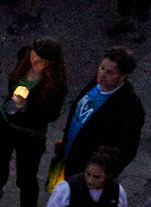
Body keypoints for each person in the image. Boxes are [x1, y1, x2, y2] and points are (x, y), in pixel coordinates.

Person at [0, 39, 68, 207]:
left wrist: (27, 107)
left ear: (50, 63)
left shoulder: (56, 86)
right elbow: (12, 83)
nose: (33, 62)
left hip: (30, 135)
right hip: (6, 124)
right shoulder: (24, 59)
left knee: (26, 178)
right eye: (32, 57)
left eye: (39, 60)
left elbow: (51, 115)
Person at [59, 48, 145, 180]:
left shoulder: (129, 108)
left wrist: (102, 174)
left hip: (86, 170)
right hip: (68, 154)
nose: (102, 74)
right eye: (102, 67)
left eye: (110, 72)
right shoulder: (97, 83)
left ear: (122, 77)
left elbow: (128, 150)